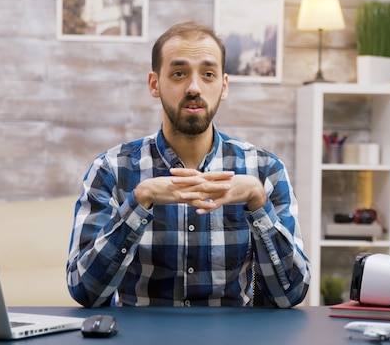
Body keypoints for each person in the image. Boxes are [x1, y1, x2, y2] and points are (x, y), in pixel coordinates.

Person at [66, 21, 310, 308]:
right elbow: (85, 291)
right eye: (179, 73)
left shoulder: (265, 170)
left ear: (224, 85)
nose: (194, 87)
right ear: (154, 84)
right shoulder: (110, 169)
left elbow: (290, 294)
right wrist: (139, 200)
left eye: (208, 74)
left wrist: (258, 202)